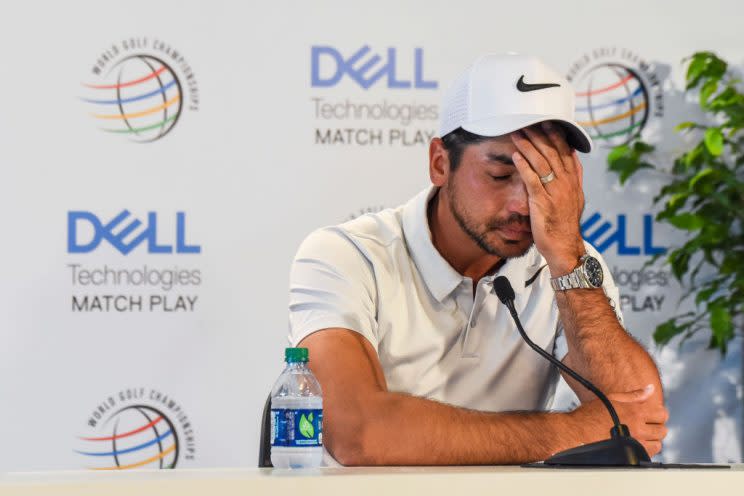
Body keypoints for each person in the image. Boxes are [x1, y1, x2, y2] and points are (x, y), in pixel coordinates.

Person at [287, 53, 668, 466]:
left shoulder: (571, 263)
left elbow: (639, 418)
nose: (526, 204)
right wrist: (577, 430)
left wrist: (567, 258)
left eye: (545, 179)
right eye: (501, 176)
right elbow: (358, 432)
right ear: (439, 163)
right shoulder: (347, 255)